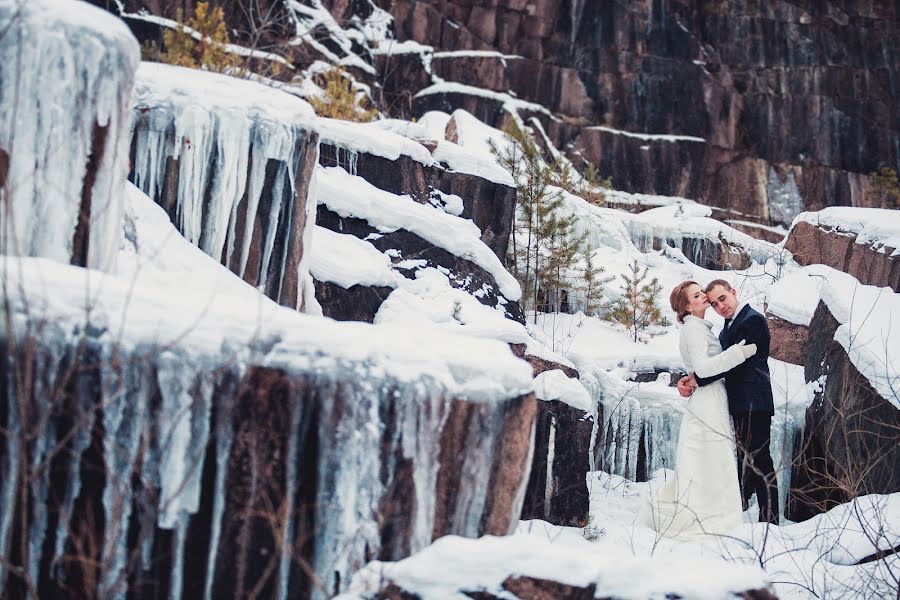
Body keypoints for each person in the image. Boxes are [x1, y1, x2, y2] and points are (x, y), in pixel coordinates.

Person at [642, 281, 754, 539]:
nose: (704, 296)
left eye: (701, 292)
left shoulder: (699, 328)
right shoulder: (693, 329)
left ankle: (715, 511)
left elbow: (699, 371)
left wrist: (691, 378)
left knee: (711, 458)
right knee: (713, 458)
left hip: (710, 397)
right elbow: (704, 369)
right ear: (688, 308)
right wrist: (738, 353)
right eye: (696, 295)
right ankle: (715, 517)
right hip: (708, 401)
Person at [677, 279, 779, 525]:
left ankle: (770, 520)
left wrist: (696, 379)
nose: (719, 306)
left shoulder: (752, 320)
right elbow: (715, 363)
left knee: (760, 459)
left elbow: (735, 362)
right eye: (714, 303)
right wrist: (692, 378)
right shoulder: (723, 330)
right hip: (735, 404)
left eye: (722, 298)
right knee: (744, 460)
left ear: (734, 292)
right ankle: (741, 511)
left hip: (754, 401)